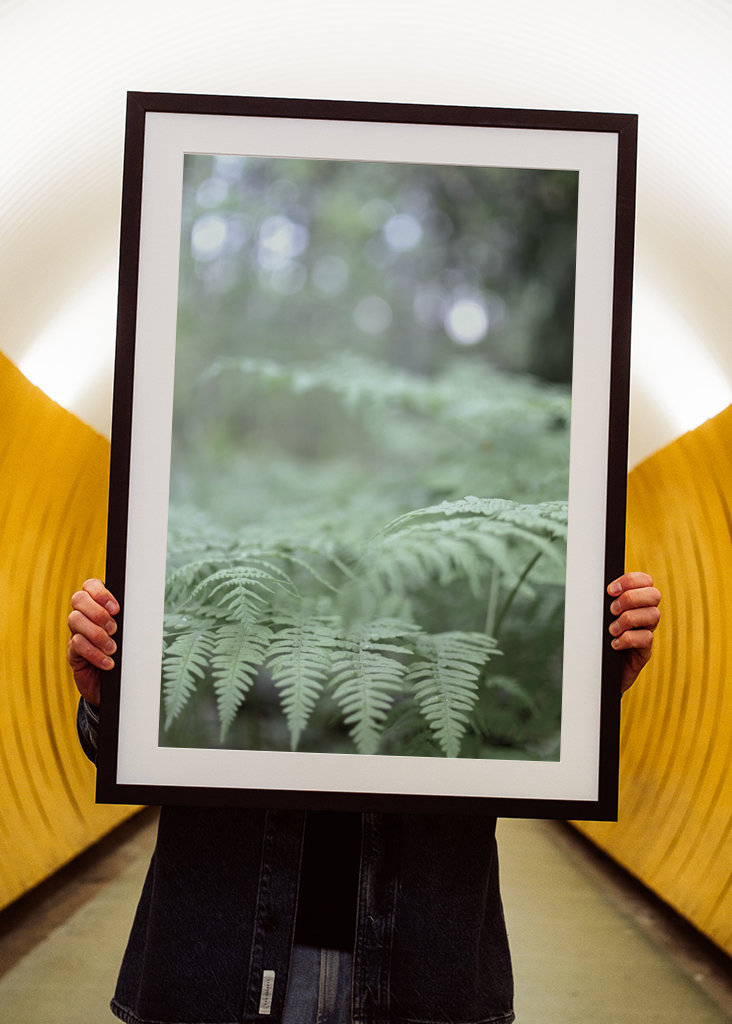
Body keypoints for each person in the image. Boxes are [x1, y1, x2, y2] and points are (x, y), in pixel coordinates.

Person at [68, 572, 661, 1024]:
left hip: (423, 962)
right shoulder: (211, 566)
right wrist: (109, 701)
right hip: (220, 954)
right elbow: (154, 737)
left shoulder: (475, 594)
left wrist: (585, 694)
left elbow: (511, 737)